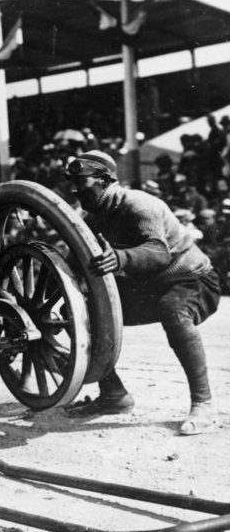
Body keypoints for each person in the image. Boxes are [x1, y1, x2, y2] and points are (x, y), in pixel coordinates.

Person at [63, 150, 222, 435]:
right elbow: (73, 263)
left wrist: (120, 258)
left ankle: (204, 404)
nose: (74, 189)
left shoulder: (138, 204)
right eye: (71, 182)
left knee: (174, 310)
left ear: (104, 180)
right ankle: (113, 395)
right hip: (150, 286)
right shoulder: (93, 219)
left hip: (193, 279)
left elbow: (159, 253)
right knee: (81, 313)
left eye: (81, 182)